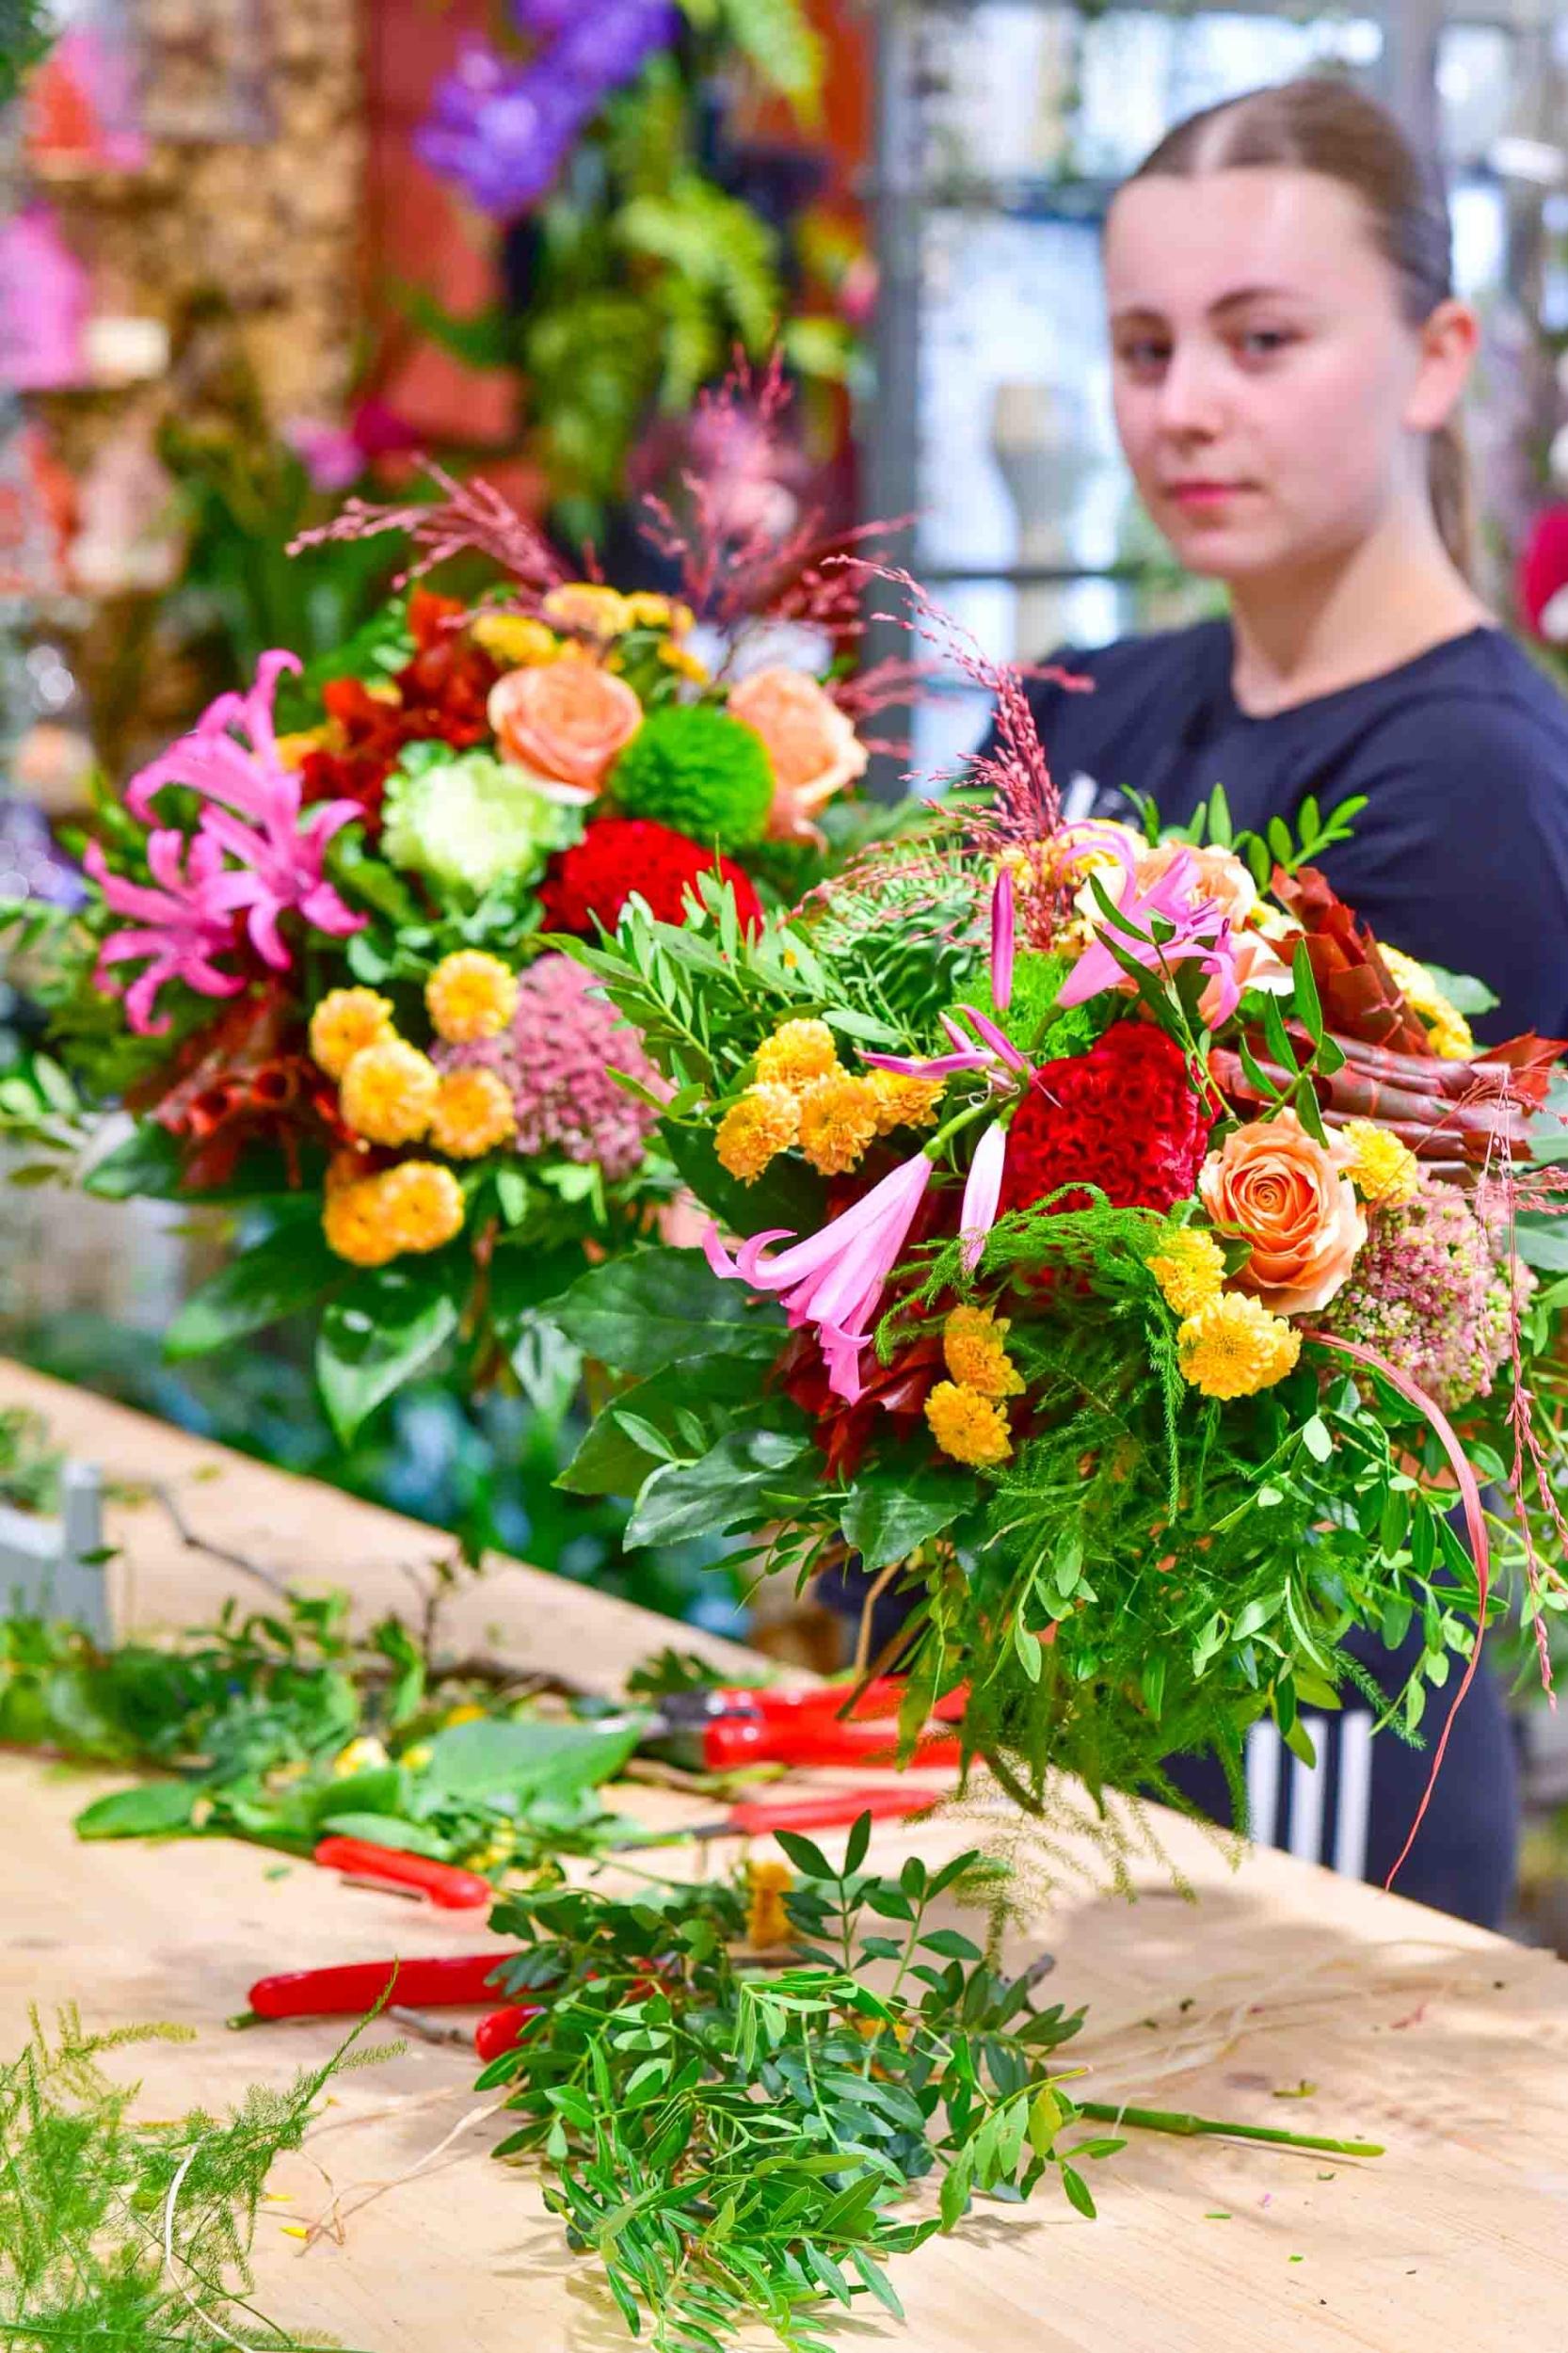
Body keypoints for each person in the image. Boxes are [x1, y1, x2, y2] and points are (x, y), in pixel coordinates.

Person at [994, 76, 1568, 1927]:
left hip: (1290, 1701)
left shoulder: (1468, 778)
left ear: (1432, 358)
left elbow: (1381, 1340)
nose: (1183, 405)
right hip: (1046, 1653)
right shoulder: (1083, 703)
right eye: (1141, 347)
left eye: (1258, 341)